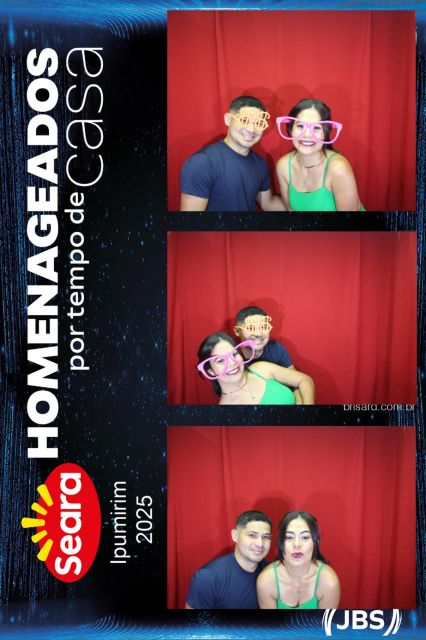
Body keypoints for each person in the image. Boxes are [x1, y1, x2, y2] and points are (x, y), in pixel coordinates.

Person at [180, 95, 285, 212]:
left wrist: (299, 201)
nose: (251, 129)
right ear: (228, 120)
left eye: (259, 123)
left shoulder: (260, 164)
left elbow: (268, 204)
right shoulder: (202, 162)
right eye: (244, 120)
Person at [276, 98, 364, 211]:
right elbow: (291, 210)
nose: (307, 134)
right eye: (300, 126)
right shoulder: (283, 166)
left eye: (316, 128)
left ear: (325, 133)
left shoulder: (338, 169)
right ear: (290, 129)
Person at [185, 510, 272, 609]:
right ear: (235, 536)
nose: (260, 544)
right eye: (252, 535)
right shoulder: (207, 578)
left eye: (266, 537)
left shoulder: (272, 572)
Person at [196, 332, 314, 405]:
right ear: (210, 371)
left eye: (234, 354)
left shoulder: (261, 368)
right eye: (220, 361)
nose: (232, 363)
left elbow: (304, 380)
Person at [256, 510, 340, 609]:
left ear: (316, 541)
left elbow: (325, 619)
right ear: (280, 542)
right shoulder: (266, 581)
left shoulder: (328, 581)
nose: (296, 544)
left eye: (305, 537)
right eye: (289, 537)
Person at [233, 305, 302, 404]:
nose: (258, 333)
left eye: (264, 327)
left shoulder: (276, 349)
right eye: (251, 328)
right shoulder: (231, 358)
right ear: (237, 331)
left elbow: (296, 383)